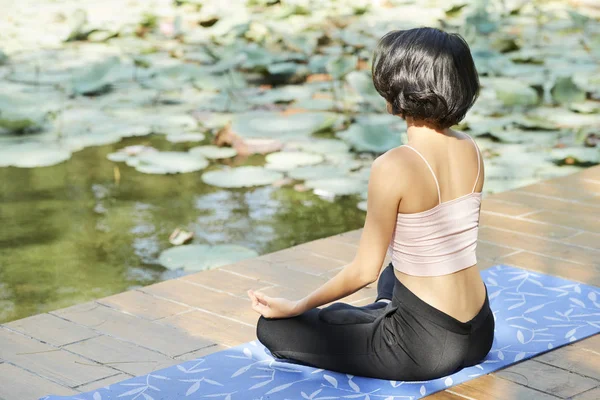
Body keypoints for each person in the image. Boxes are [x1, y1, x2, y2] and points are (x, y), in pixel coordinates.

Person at [247, 27, 494, 381]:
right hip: (479, 330)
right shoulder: (470, 147)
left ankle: (372, 317)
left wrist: (297, 306)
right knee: (395, 272)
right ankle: (376, 313)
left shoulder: (394, 165)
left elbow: (363, 271)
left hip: (424, 350)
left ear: (398, 87)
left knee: (274, 330)